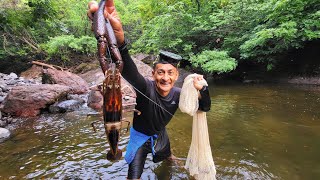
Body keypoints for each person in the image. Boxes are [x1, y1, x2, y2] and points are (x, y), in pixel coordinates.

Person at [87, 1, 211, 179]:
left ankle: (169, 157)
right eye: (160, 72)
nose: (165, 78)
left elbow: (203, 108)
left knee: (167, 155)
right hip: (139, 138)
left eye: (170, 74)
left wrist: (204, 90)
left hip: (160, 135)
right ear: (153, 74)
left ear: (177, 76)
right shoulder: (145, 86)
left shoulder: (179, 94)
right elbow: (127, 68)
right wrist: (119, 40)